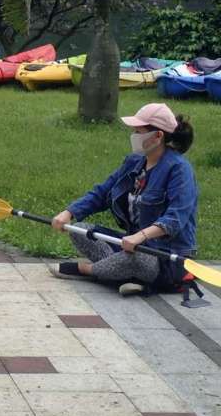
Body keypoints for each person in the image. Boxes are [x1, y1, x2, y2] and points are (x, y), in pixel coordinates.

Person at [50, 103, 198, 297]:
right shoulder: (134, 162)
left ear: (158, 136)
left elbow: (176, 218)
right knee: (80, 231)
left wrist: (141, 236)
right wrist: (69, 213)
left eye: (138, 131)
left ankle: (88, 270)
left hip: (164, 256)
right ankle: (127, 276)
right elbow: (103, 192)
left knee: (136, 259)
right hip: (132, 245)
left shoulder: (179, 169)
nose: (133, 135)